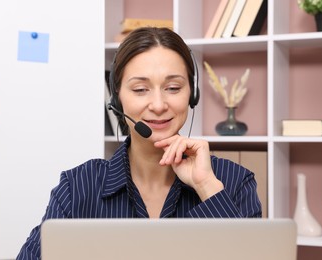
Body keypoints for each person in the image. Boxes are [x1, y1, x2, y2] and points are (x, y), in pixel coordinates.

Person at [16, 27, 262, 260]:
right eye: (141, 89)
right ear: (117, 99)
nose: (158, 104)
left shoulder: (234, 183)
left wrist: (207, 187)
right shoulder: (78, 187)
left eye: (173, 87)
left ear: (192, 95)